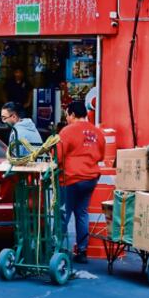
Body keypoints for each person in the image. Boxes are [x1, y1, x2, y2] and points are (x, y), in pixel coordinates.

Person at [56, 100, 106, 263]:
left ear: (72, 114)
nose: (67, 118)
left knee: (64, 213)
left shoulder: (67, 131)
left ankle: (58, 249)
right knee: (82, 213)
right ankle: (82, 251)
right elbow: (101, 156)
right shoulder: (98, 133)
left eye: (67, 115)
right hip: (90, 178)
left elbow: (58, 156)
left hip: (71, 177)